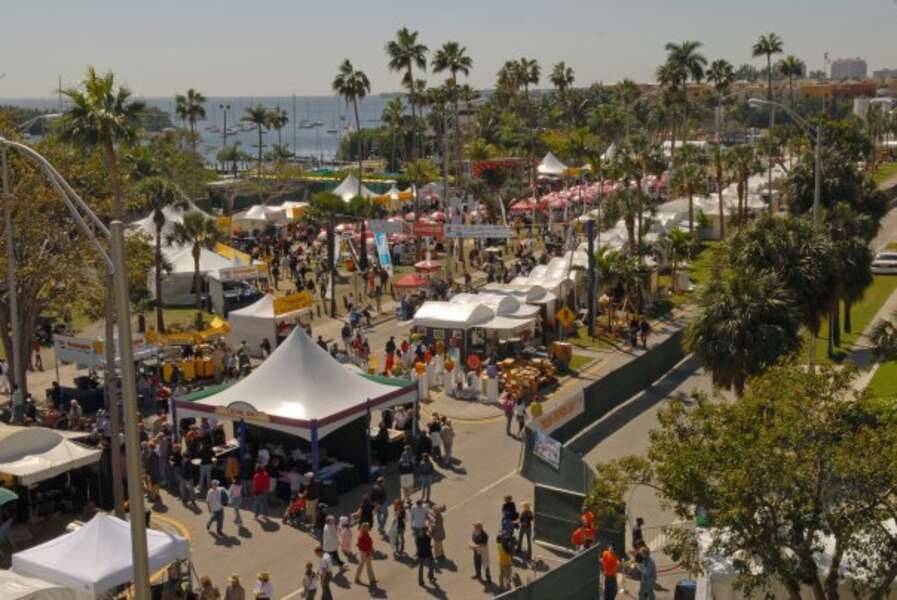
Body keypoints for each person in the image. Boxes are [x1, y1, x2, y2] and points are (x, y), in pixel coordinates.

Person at [354, 522, 377, 586]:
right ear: (364, 528)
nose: (368, 528)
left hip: (364, 552)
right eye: (367, 527)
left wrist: (371, 548)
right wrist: (367, 552)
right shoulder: (363, 535)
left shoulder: (364, 534)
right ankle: (372, 580)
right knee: (369, 566)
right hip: (365, 552)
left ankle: (357, 578)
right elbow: (360, 545)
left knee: (361, 564)